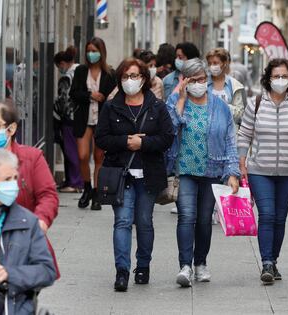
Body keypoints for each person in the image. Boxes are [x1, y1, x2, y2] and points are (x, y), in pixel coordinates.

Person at [95, 58, 174, 292]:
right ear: (120, 80)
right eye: (126, 76)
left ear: (144, 79)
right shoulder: (111, 106)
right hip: (121, 174)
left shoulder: (157, 106)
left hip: (149, 174)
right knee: (121, 222)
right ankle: (121, 271)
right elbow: (101, 138)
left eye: (135, 76)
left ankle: (143, 266)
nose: (131, 81)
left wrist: (144, 143)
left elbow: (167, 137)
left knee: (144, 222)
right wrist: (125, 142)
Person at [237, 58, 288, 285]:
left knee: (280, 218)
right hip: (260, 170)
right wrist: (241, 161)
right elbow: (245, 134)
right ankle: (267, 262)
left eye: (284, 76)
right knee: (267, 215)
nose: (280, 80)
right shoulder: (256, 103)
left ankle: (274, 259)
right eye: (276, 76)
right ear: (268, 79)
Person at [166, 58, 240, 287]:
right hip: (185, 170)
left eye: (202, 79)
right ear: (184, 80)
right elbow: (169, 130)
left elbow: (230, 140)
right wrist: (180, 99)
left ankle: (200, 264)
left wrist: (233, 172)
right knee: (187, 217)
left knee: (204, 220)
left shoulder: (219, 107)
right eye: (193, 80)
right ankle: (185, 266)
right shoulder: (175, 100)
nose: (199, 84)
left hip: (212, 169)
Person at [0, 100, 60, 278]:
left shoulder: (31, 157)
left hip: (21, 247)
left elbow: (48, 195)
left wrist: (40, 223)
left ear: (11, 129)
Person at [0, 148, 56, 315]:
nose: (13, 185)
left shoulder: (27, 221)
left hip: (7, 297)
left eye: (15, 178)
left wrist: (8, 273)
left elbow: (46, 271)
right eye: (7, 179)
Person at [70, 37, 116, 210]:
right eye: (89, 50)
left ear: (101, 52)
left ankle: (97, 192)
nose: (91, 54)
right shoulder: (81, 71)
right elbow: (73, 93)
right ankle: (87, 187)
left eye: (95, 51)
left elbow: (113, 96)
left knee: (99, 157)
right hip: (84, 119)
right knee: (82, 155)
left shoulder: (110, 73)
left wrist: (103, 97)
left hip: (102, 121)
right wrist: (90, 94)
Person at [54, 46, 84, 192]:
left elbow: (63, 100)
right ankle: (75, 180)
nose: (59, 69)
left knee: (71, 150)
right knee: (79, 150)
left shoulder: (67, 77)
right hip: (81, 116)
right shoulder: (81, 70)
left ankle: (75, 183)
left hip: (69, 118)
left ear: (62, 63)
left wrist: (58, 115)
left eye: (58, 66)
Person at [206, 48, 247, 127]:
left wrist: (222, 105)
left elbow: (240, 114)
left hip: (228, 134)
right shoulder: (203, 83)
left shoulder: (235, 85)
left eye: (215, 63)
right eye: (209, 63)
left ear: (224, 63)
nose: (212, 66)